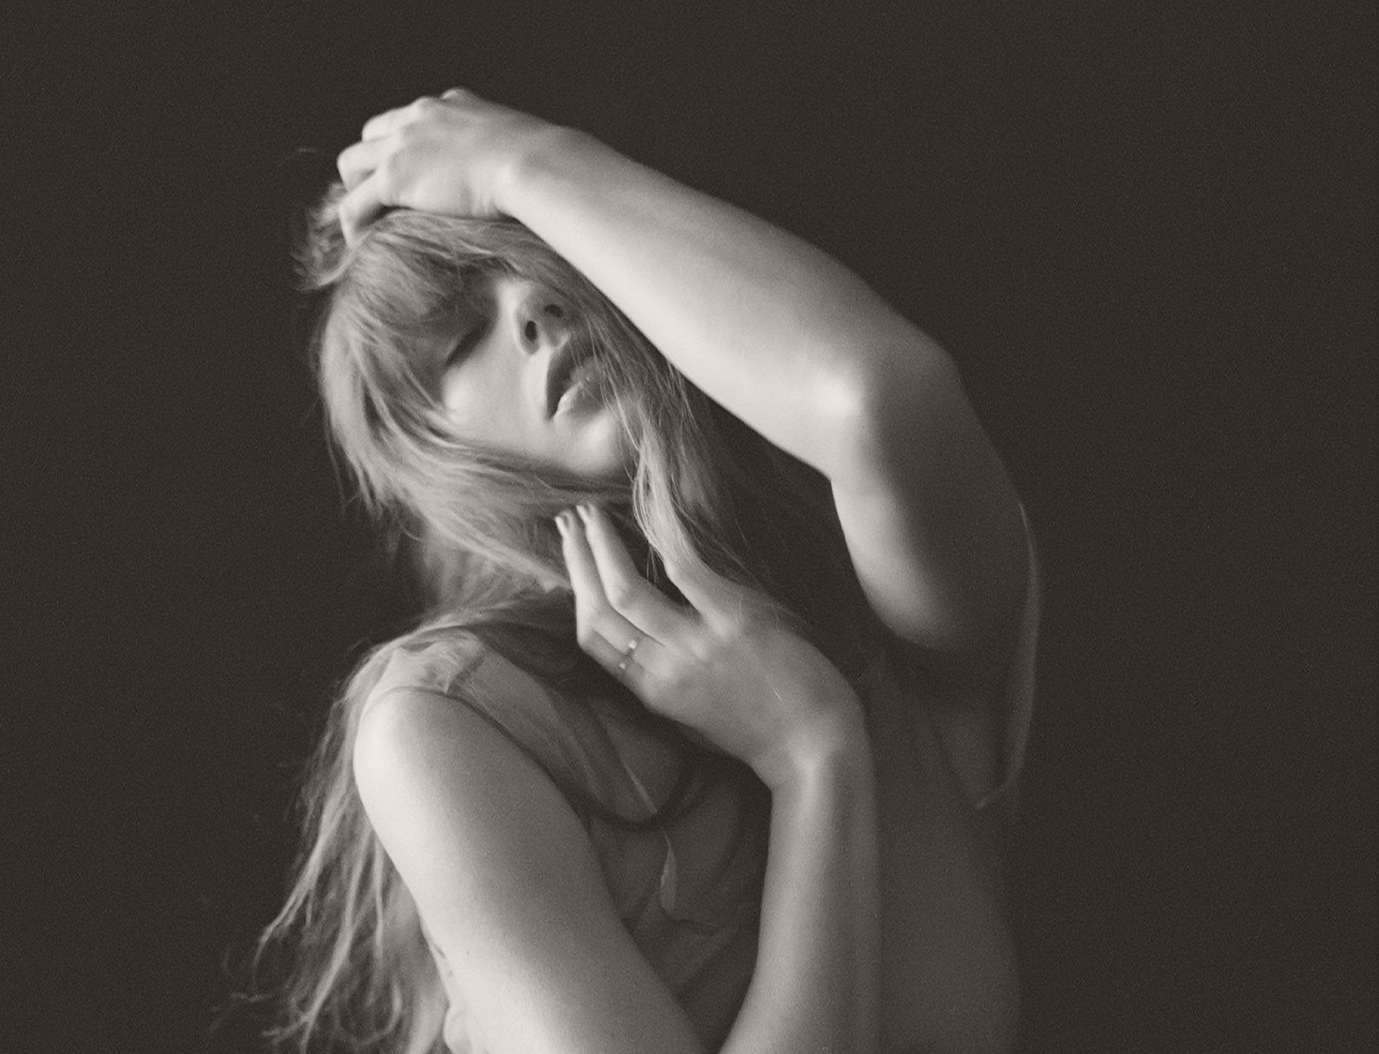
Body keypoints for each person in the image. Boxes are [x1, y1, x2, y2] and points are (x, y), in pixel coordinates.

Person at [255, 88, 1040, 1054]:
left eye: (548, 259)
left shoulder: (879, 605)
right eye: (459, 336)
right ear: (429, 446)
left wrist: (520, 162)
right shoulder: (454, 723)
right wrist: (811, 755)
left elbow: (881, 398)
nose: (532, 309)